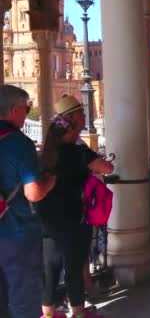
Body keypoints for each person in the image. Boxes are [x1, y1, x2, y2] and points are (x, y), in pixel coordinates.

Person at [37, 98, 114, 318]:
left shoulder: (47, 152)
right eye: (80, 113)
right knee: (74, 270)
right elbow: (107, 168)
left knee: (50, 271)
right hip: (74, 221)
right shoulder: (78, 153)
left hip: (47, 222)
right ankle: (78, 313)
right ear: (72, 121)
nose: (85, 116)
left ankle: (49, 315)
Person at [0, 85, 56, 318]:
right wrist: (50, 182)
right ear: (14, 110)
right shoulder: (19, 143)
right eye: (26, 108)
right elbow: (34, 192)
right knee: (23, 299)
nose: (27, 112)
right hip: (17, 234)